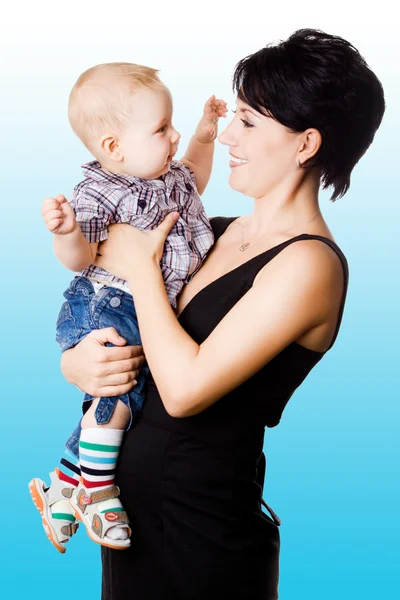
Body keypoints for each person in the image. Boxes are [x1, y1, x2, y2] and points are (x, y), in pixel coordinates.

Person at [57, 29, 385, 599]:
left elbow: (184, 390)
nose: (226, 134)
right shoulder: (212, 233)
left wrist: (139, 268)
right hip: (135, 528)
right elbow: (135, 332)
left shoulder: (310, 264)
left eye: (250, 122)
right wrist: (80, 366)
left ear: (306, 144)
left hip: (204, 541)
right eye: (233, 116)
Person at [29, 62, 228, 552]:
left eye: (175, 123)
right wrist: (66, 233)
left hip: (143, 301)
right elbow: (80, 260)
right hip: (108, 302)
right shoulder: (99, 192)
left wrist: (205, 134)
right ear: (114, 148)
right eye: (162, 129)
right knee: (120, 394)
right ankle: (96, 491)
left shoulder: (170, 173)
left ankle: (63, 485)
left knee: (127, 394)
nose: (175, 136)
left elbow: (197, 177)